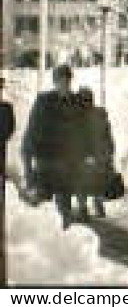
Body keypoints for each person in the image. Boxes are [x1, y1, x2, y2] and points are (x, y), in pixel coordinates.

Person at [22, 64, 81, 227]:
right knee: (42, 215)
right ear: (55, 82)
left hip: (66, 166)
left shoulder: (76, 102)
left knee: (65, 212)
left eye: (67, 81)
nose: (64, 84)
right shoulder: (43, 101)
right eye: (60, 81)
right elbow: (31, 133)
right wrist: (28, 170)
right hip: (45, 165)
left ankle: (65, 234)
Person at [73, 88, 115, 219]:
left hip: (87, 157)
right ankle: (98, 206)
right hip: (101, 156)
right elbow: (108, 136)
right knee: (97, 182)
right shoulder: (100, 114)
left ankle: (83, 209)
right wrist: (109, 154)